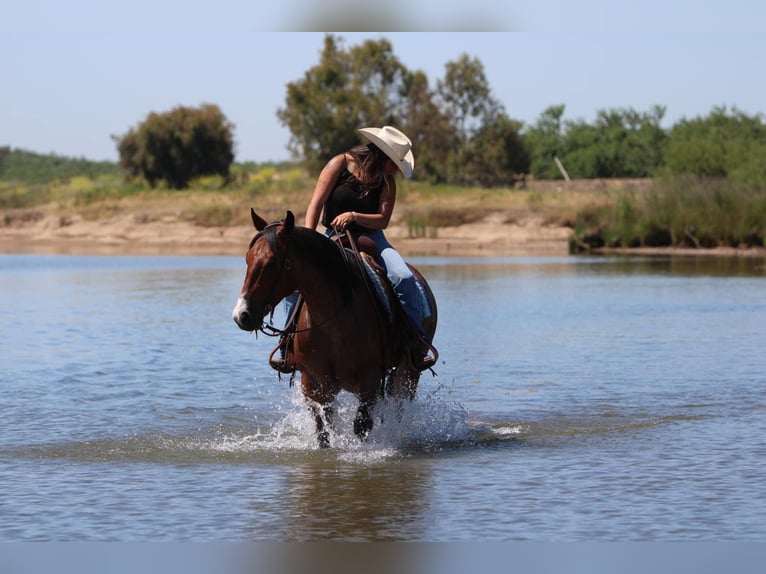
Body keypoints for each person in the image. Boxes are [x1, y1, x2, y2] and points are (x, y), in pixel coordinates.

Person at [271, 125, 436, 373]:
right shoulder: (339, 163)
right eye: (394, 162)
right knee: (297, 281)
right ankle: (287, 345)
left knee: (402, 277)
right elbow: (316, 202)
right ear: (383, 155)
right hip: (332, 236)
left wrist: (354, 216)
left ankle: (415, 342)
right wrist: (309, 237)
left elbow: (382, 220)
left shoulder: (388, 182)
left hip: (373, 238)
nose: (395, 169)